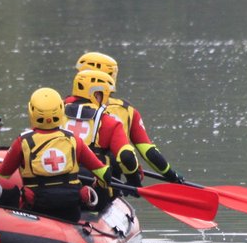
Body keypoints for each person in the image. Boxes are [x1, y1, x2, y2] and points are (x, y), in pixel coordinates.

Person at [0, 87, 109, 222]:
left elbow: (2, 175)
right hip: (70, 211)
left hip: (37, 210)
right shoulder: (74, 140)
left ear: (32, 112)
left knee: (11, 193)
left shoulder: (23, 141)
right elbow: (103, 172)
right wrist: (100, 184)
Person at [76, 50, 183, 184]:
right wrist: (171, 174)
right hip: (107, 181)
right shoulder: (127, 111)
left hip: (68, 178)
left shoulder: (60, 107)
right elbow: (147, 151)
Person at [62, 67, 140, 187]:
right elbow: (127, 157)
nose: (107, 102)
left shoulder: (56, 115)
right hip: (95, 188)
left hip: (60, 185)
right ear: (97, 95)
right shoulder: (108, 122)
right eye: (106, 96)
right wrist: (133, 182)